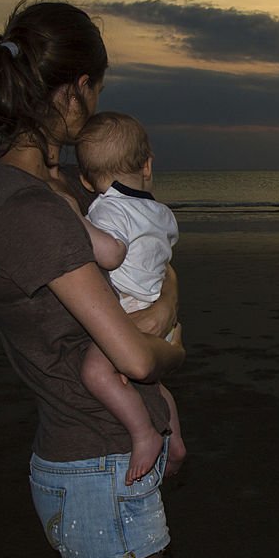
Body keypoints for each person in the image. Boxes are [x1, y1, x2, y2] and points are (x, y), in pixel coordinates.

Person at [0, 0, 183, 558]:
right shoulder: (34, 210)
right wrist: (171, 320)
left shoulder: (58, 188)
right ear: (78, 89)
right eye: (96, 90)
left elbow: (145, 264)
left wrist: (164, 291)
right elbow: (139, 356)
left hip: (96, 455)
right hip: (98, 461)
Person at [71, 111, 187, 486]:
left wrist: (78, 219)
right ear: (148, 166)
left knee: (95, 372)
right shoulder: (162, 213)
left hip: (131, 312)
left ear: (87, 180)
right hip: (160, 316)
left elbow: (110, 255)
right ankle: (176, 439)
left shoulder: (107, 208)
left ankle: (144, 434)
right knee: (156, 387)